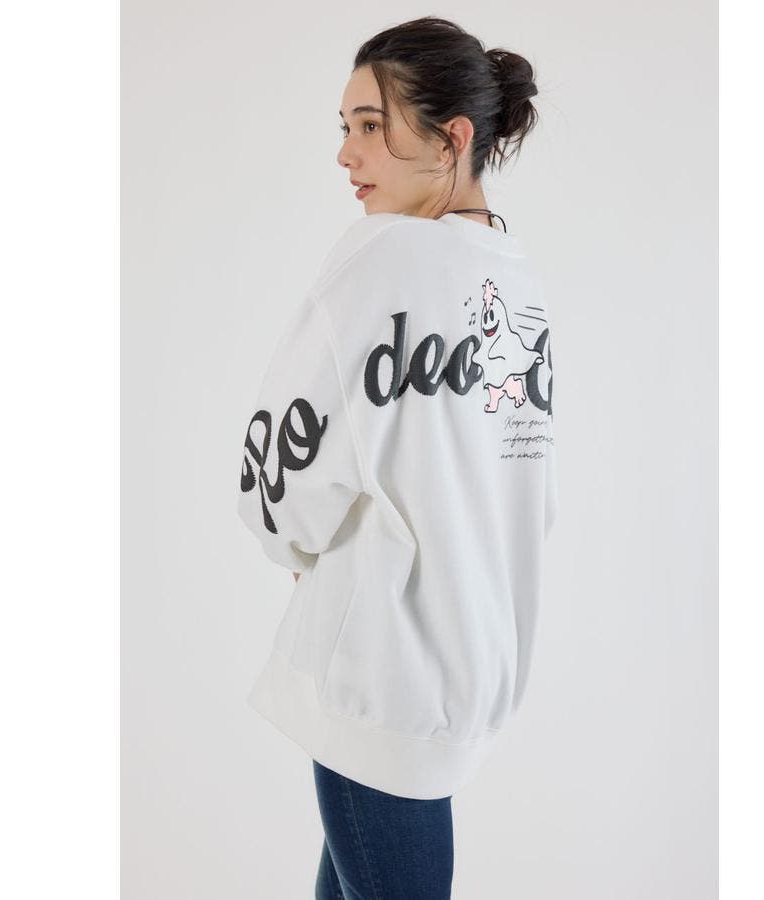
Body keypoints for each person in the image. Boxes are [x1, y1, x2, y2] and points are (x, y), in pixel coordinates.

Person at [236, 16, 558, 899]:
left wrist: (290, 543)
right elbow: (530, 494)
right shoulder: (516, 278)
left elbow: (285, 453)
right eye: (346, 127)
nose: (347, 153)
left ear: (452, 137)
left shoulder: (388, 259)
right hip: (447, 668)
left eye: (372, 126)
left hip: (388, 676)